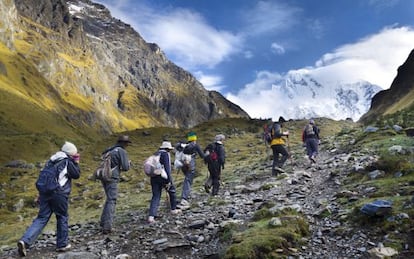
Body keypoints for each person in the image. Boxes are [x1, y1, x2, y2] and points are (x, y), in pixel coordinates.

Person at [17, 141, 81, 256]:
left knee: (41, 218)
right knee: (62, 216)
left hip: (45, 193)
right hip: (59, 194)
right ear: (70, 154)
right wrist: (76, 162)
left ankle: (25, 241)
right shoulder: (67, 162)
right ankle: (62, 244)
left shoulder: (51, 161)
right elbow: (76, 175)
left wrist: (40, 194)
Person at [99, 135, 131, 234]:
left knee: (109, 199)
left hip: (103, 175)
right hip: (112, 177)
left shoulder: (109, 150)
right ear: (124, 143)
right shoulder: (121, 151)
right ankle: (107, 226)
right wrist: (129, 163)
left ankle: (103, 222)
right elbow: (125, 167)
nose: (127, 145)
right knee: (112, 200)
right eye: (127, 143)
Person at [148, 141, 181, 223]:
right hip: (163, 177)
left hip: (153, 177)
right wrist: (169, 180)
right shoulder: (165, 154)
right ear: (167, 149)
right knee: (172, 191)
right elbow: (167, 168)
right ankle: (173, 209)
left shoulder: (155, 153)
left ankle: (151, 216)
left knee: (156, 196)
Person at [178, 132, 205, 209]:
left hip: (183, 165)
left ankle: (186, 195)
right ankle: (184, 198)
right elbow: (202, 156)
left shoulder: (184, 146)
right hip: (190, 165)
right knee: (188, 180)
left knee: (187, 179)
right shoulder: (195, 145)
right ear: (194, 139)